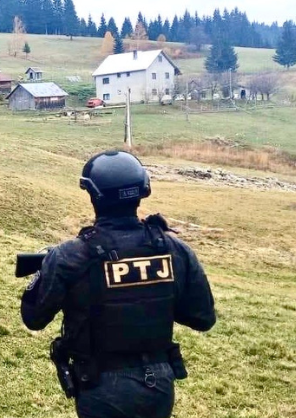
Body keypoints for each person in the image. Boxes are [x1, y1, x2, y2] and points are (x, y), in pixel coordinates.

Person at [20, 150, 216, 418]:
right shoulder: (173, 249)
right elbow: (203, 318)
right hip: (158, 386)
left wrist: (45, 271)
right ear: (142, 191)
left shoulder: (70, 256)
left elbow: (33, 318)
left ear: (93, 195)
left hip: (100, 386)